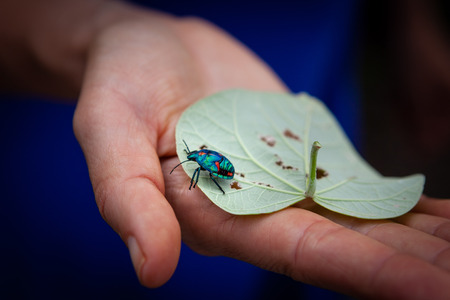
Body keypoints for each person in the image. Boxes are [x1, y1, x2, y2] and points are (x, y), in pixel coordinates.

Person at [1, 0, 449, 299]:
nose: (193, 165)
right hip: (48, 161)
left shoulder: (202, 161)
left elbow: (206, 168)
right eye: (196, 160)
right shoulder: (199, 159)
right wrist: (101, 26)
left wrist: (414, 14)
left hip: (305, 75)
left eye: (195, 160)